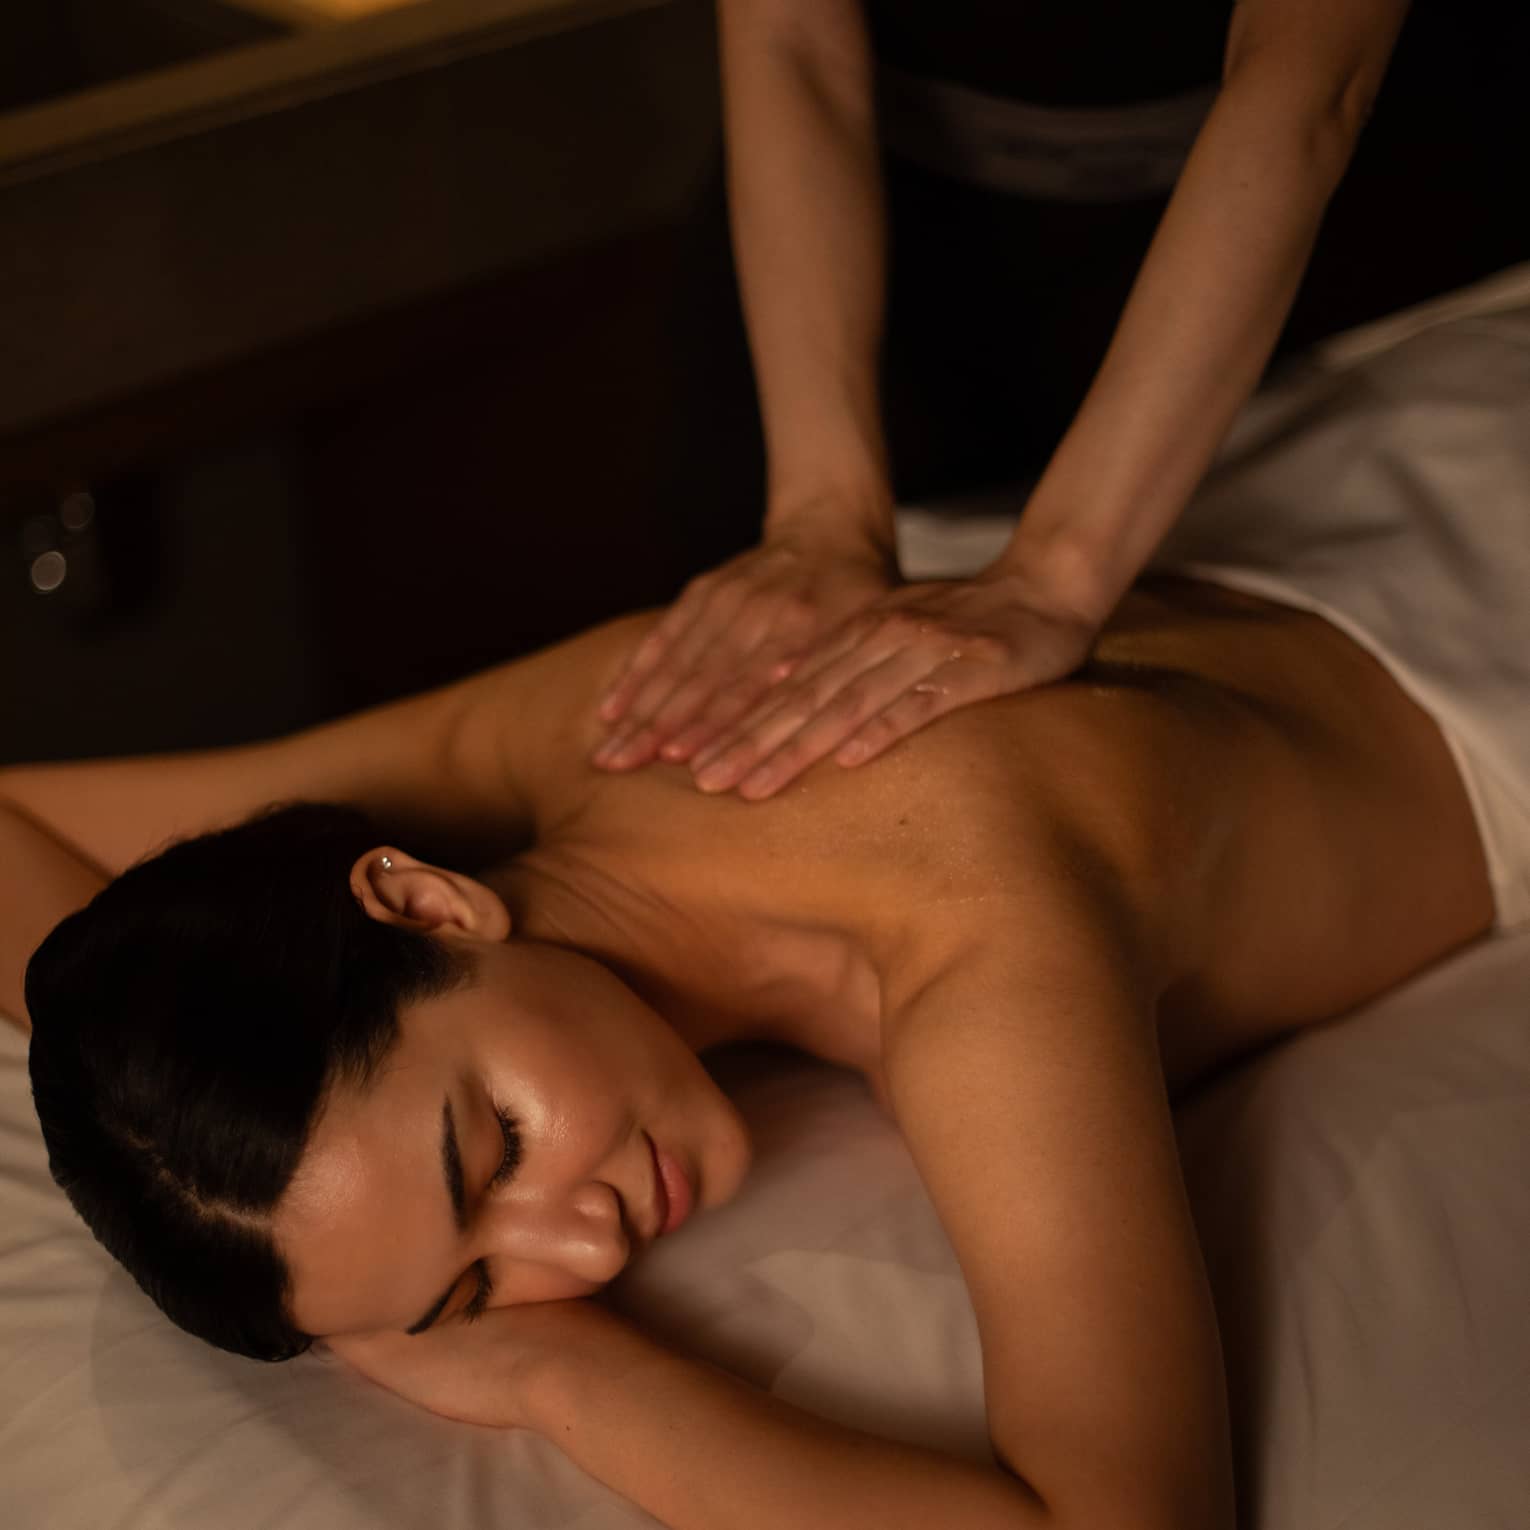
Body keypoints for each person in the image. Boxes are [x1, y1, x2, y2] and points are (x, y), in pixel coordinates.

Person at [6, 305, 1529, 1529]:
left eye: (495, 1149)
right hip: (1341, 505)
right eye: (472, 1287)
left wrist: (558, 1377)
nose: (581, 1246)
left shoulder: (973, 964)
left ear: (418, 896)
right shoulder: (604, 717)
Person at [596, 0, 1447, 802]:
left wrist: (1054, 577)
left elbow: (1304, 90)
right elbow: (793, 37)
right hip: (857, 226)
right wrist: (821, 515)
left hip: (1256, 235)